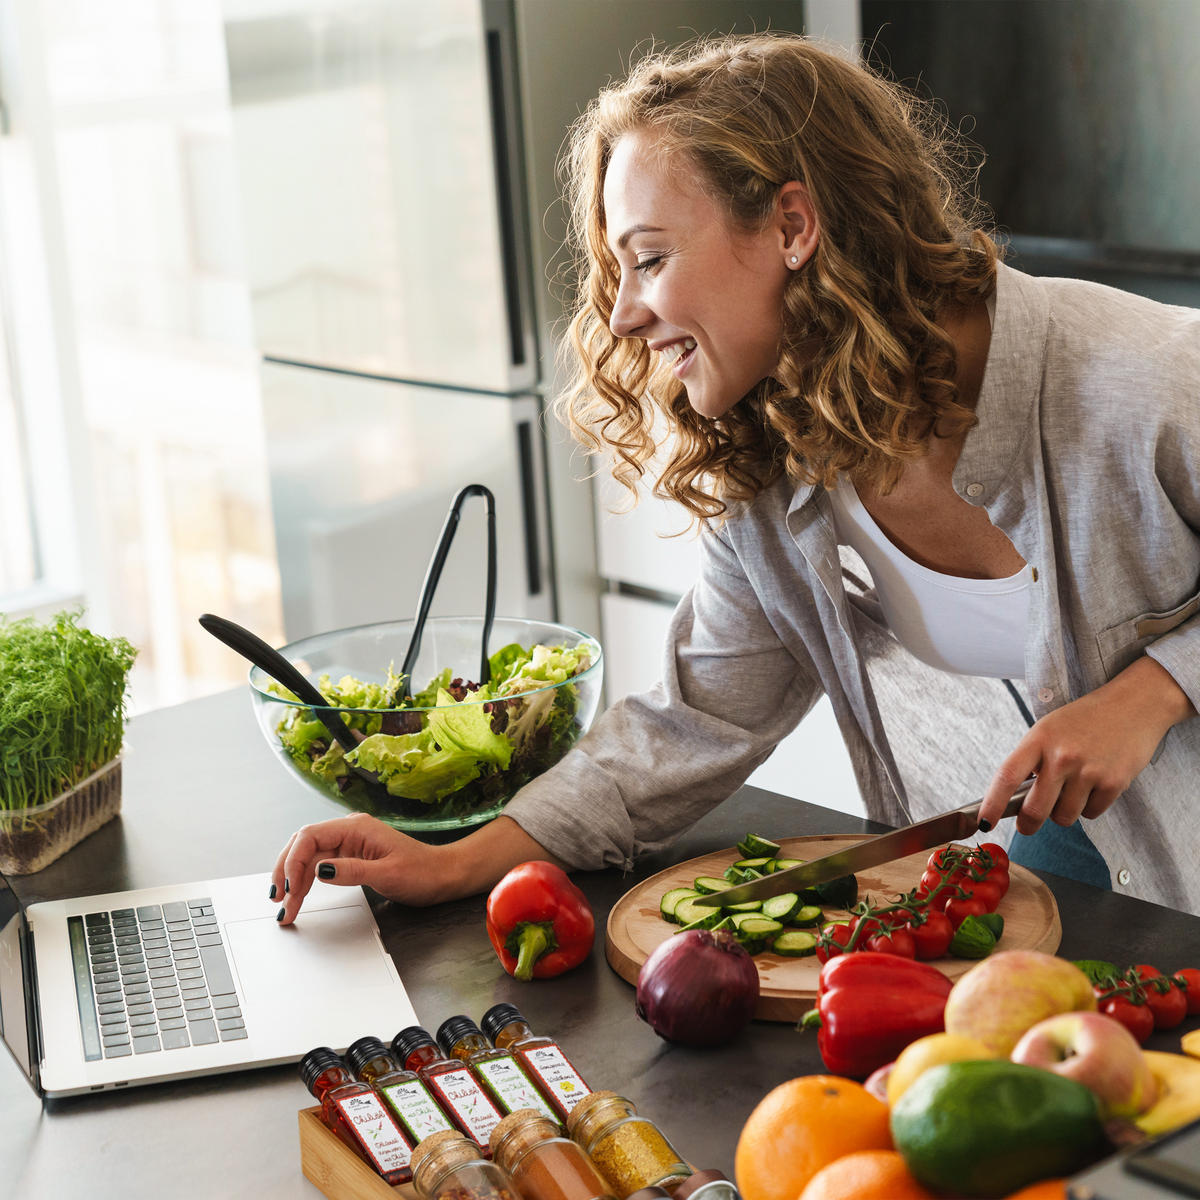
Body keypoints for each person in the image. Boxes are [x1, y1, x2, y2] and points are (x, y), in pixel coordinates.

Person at [270, 33, 1200, 923]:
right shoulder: (779, 461)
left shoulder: (1146, 381)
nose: (626, 313)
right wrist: (453, 861)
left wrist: (1151, 694)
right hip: (1051, 889)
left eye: (651, 259)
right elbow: (695, 719)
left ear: (792, 225)